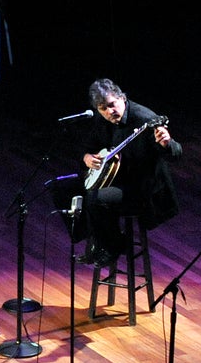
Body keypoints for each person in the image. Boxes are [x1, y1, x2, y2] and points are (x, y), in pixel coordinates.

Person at [72, 78, 181, 268]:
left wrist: (166, 143)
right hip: (116, 179)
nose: (109, 112)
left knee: (95, 197)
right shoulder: (102, 118)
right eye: (103, 108)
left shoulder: (145, 119)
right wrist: (87, 157)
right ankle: (96, 241)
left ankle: (113, 245)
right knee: (63, 188)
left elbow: (177, 153)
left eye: (112, 105)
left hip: (142, 188)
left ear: (122, 98)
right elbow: (85, 146)